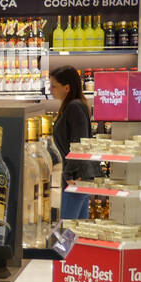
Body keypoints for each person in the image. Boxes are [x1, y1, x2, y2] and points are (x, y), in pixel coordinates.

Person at [50, 65, 94, 221]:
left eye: (54, 86)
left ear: (67, 87)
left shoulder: (74, 107)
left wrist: (70, 173)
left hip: (74, 179)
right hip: (77, 178)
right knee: (75, 232)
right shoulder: (74, 106)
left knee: (66, 229)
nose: (51, 89)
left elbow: (79, 142)